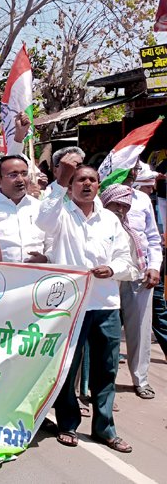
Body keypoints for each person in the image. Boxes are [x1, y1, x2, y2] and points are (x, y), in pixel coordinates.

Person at [35, 154, 137, 454]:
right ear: (71, 186)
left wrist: (112, 269)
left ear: (99, 185)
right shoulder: (61, 213)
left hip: (105, 305)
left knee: (106, 369)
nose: (87, 184)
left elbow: (126, 261)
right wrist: (59, 180)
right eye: (80, 180)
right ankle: (67, 424)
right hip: (71, 306)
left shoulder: (110, 220)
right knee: (68, 367)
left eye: (92, 180)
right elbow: (43, 220)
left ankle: (105, 428)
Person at [119, 163, 161, 400]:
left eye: (135, 167)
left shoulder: (142, 199)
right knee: (103, 333)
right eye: (127, 166)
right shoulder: (99, 195)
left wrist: (154, 266)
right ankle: (96, 384)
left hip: (140, 272)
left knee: (140, 330)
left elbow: (152, 237)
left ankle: (140, 379)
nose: (132, 171)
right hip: (108, 275)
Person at [0, 155, 48, 263]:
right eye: (13, 175)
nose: (20, 179)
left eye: (24, 174)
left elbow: (52, 241)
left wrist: (46, 258)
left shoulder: (39, 206)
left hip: (37, 271)